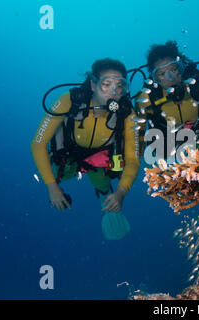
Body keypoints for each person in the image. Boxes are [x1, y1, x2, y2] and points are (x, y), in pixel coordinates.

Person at [31, 58, 140, 240]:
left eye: (120, 86)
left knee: (104, 186)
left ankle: (106, 204)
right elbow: (37, 143)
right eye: (106, 84)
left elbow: (133, 159)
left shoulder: (127, 114)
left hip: (99, 159)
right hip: (67, 154)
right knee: (57, 175)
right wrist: (51, 187)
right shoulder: (69, 100)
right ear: (92, 84)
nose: (114, 92)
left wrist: (121, 193)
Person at [135, 41, 199, 160]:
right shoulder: (145, 99)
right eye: (161, 74)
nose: (170, 78)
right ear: (154, 78)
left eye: (174, 69)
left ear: (181, 66)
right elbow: (139, 130)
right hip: (167, 153)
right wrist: (140, 148)